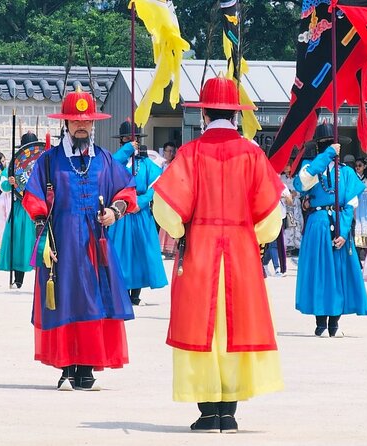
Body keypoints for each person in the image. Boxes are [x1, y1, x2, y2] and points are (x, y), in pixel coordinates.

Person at [152, 75, 284, 433]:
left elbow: (165, 206)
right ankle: (229, 411)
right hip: (240, 250)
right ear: (236, 116)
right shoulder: (253, 154)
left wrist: (181, 232)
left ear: (205, 115)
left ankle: (207, 411)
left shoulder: (191, 153)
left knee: (202, 327)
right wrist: (254, 236)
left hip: (201, 250)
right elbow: (272, 215)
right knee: (236, 325)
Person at [22, 86, 138, 391]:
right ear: (66, 124)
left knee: (93, 302)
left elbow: (126, 192)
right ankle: (65, 366)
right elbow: (33, 198)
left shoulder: (104, 159)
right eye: (76, 121)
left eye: (87, 121)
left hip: (94, 243)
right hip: (60, 242)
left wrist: (115, 211)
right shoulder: (49, 161)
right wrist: (42, 231)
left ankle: (86, 367)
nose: (82, 126)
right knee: (63, 299)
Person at [294, 124, 367, 337]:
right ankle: (320, 319)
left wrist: (344, 231)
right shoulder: (310, 168)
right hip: (317, 224)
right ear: (319, 148)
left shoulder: (346, 173)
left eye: (331, 145)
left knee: (338, 272)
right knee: (320, 271)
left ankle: (335, 319)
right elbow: (302, 182)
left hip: (339, 222)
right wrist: (327, 156)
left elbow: (351, 203)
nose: (328, 148)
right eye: (324, 145)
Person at [108, 120, 167, 306]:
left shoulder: (147, 163)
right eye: (126, 139)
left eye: (133, 139)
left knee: (140, 252)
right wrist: (127, 150)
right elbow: (109, 168)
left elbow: (154, 187)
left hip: (140, 213)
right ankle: (122, 290)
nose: (130, 142)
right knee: (121, 253)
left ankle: (136, 293)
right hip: (121, 214)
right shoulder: (116, 161)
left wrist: (139, 202)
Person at [0, 132, 38, 288]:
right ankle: (18, 278)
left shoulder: (43, 160)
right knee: (19, 243)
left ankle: (41, 279)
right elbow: (3, 185)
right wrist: (10, 182)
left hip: (38, 205)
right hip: (20, 207)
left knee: (38, 243)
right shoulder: (15, 163)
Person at [158, 141, 178, 258]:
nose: (170, 153)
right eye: (168, 151)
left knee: (171, 221)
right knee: (163, 221)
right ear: (164, 152)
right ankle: (163, 248)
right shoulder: (160, 165)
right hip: (162, 196)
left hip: (173, 197)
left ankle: (172, 248)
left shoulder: (176, 164)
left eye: (172, 151)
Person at [281, 163, 303, 256]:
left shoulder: (297, 178)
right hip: (285, 203)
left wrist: (295, 193)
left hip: (295, 204)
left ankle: (298, 246)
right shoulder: (281, 177)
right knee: (287, 224)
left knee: (297, 224)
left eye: (288, 165)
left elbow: (301, 190)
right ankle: (287, 246)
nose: (286, 167)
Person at [353, 157, 367, 259]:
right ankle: (357, 254)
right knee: (357, 226)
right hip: (357, 205)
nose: (357, 168)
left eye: (360, 165)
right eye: (356, 166)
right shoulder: (353, 178)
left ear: (365, 166)